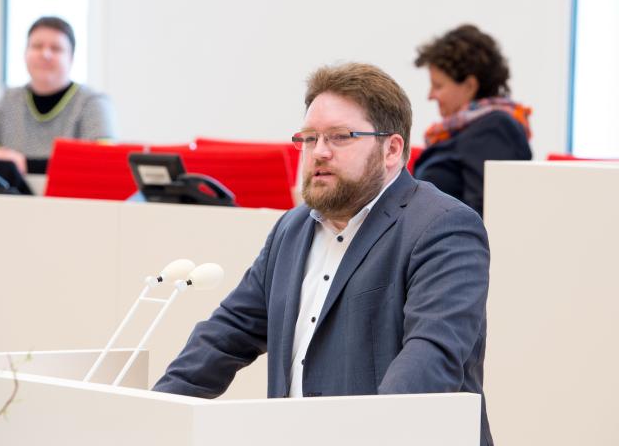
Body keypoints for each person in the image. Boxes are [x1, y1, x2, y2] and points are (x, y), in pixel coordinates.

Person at [153, 62, 494, 445]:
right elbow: (225, 336)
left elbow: (430, 359)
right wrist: (151, 415)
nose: (319, 152)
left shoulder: (443, 227)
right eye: (309, 138)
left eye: (340, 137)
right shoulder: (292, 229)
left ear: (392, 149)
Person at [0, 16, 115, 174]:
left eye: (56, 48)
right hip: (12, 197)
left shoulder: (92, 102)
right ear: (25, 53)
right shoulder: (9, 100)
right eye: (37, 46)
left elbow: (103, 164)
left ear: (71, 58)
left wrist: (23, 164)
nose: (45, 54)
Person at [413, 24, 532, 216]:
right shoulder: (463, 130)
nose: (430, 95)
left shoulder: (495, 128)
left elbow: (486, 214)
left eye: (438, 85)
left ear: (469, 85)